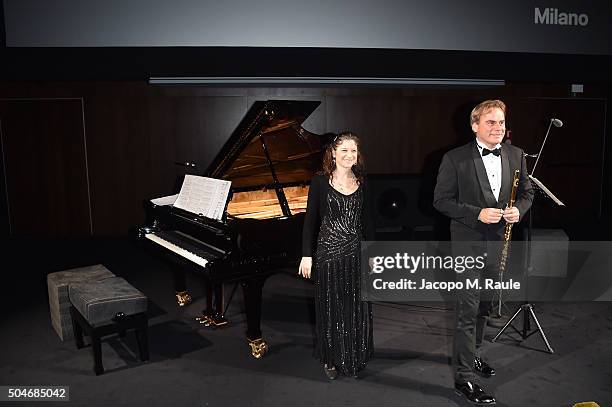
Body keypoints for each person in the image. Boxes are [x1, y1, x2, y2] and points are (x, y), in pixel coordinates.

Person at [433, 99, 534, 405]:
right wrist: (476, 213)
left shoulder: (516, 155)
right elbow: (441, 200)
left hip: (499, 246)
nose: (498, 128)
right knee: (466, 311)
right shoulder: (454, 158)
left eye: (501, 122)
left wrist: (519, 210)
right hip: (467, 245)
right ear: (475, 125)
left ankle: (472, 354)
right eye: (490, 122)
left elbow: (527, 193)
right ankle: (465, 379)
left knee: (485, 308)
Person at [298, 131, 374, 380]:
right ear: (333, 153)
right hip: (328, 253)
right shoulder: (320, 182)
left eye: (353, 151)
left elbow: (368, 222)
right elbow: (309, 221)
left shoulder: (363, 181)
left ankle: (353, 354)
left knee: (354, 306)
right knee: (331, 307)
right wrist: (306, 255)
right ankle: (330, 359)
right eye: (344, 150)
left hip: (355, 253)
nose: (349, 155)